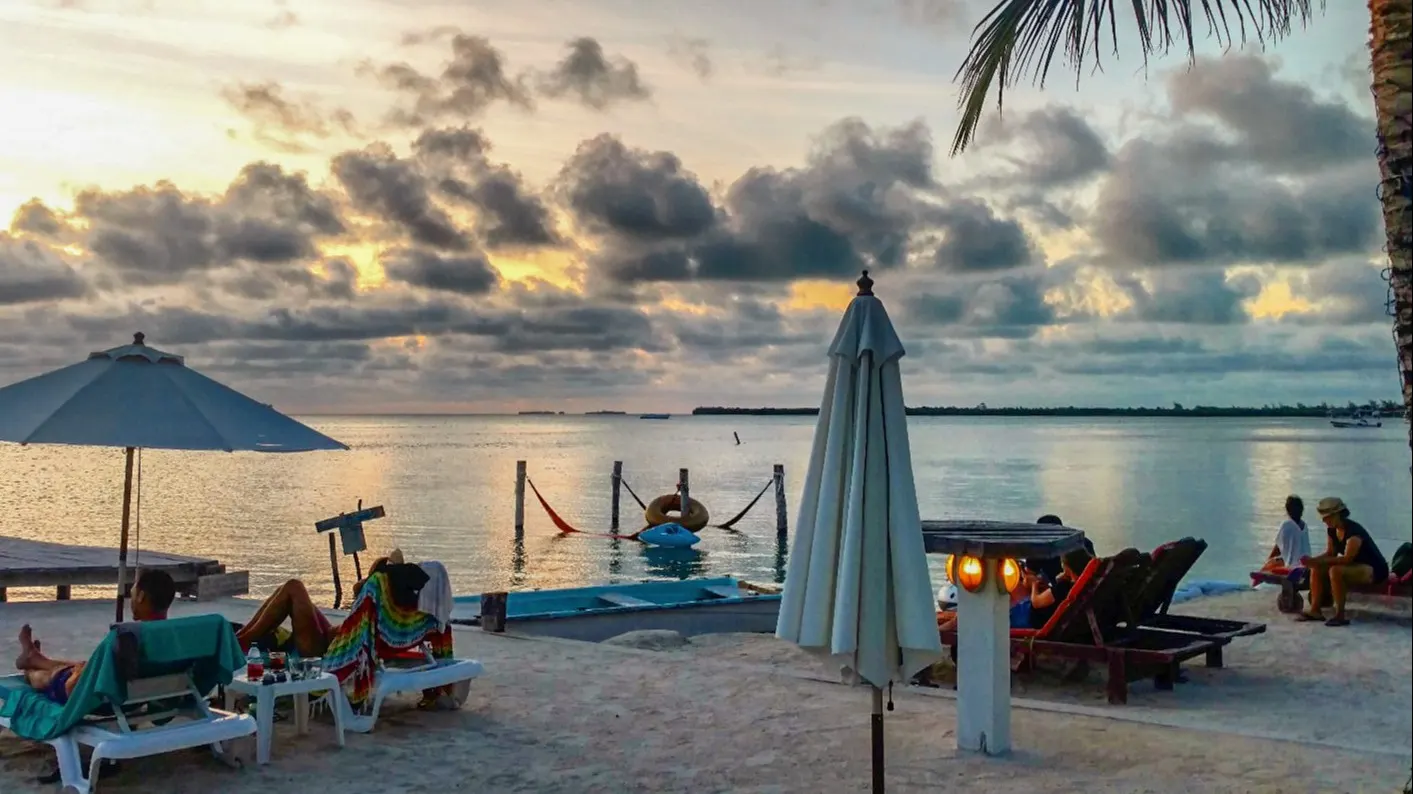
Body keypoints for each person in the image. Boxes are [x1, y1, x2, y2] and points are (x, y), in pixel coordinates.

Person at [14, 569, 177, 705]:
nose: (131, 599)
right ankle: (36, 659)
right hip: (144, 694)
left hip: (105, 698)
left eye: (132, 593)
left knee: (52, 677)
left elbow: (86, 680)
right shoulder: (174, 637)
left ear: (141, 597)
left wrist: (75, 675)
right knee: (89, 667)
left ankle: (30, 671)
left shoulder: (127, 637)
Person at [939, 547, 1093, 632]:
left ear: (1068, 567)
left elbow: (1036, 602)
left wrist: (1034, 586)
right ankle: (950, 622)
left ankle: (944, 631)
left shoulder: (1064, 587)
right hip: (1032, 615)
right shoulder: (1081, 587)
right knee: (986, 611)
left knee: (982, 616)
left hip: (1028, 618)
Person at [1298, 497, 1389, 627]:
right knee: (1316, 568)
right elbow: (1330, 553)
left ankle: (1340, 615)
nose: (1324, 520)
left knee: (1335, 571)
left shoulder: (1354, 532)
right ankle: (1315, 610)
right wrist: (1313, 561)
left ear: (1338, 515)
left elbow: (1347, 559)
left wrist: (1319, 562)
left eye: (1327, 517)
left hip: (1374, 569)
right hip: (1355, 566)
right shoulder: (1332, 530)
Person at [1261, 495, 1312, 573]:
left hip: (1292, 566)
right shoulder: (1304, 525)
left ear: (1288, 510)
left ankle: (1255, 582)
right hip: (1307, 564)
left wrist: (1268, 561)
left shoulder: (1287, 524)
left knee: (1269, 565)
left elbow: (1278, 548)